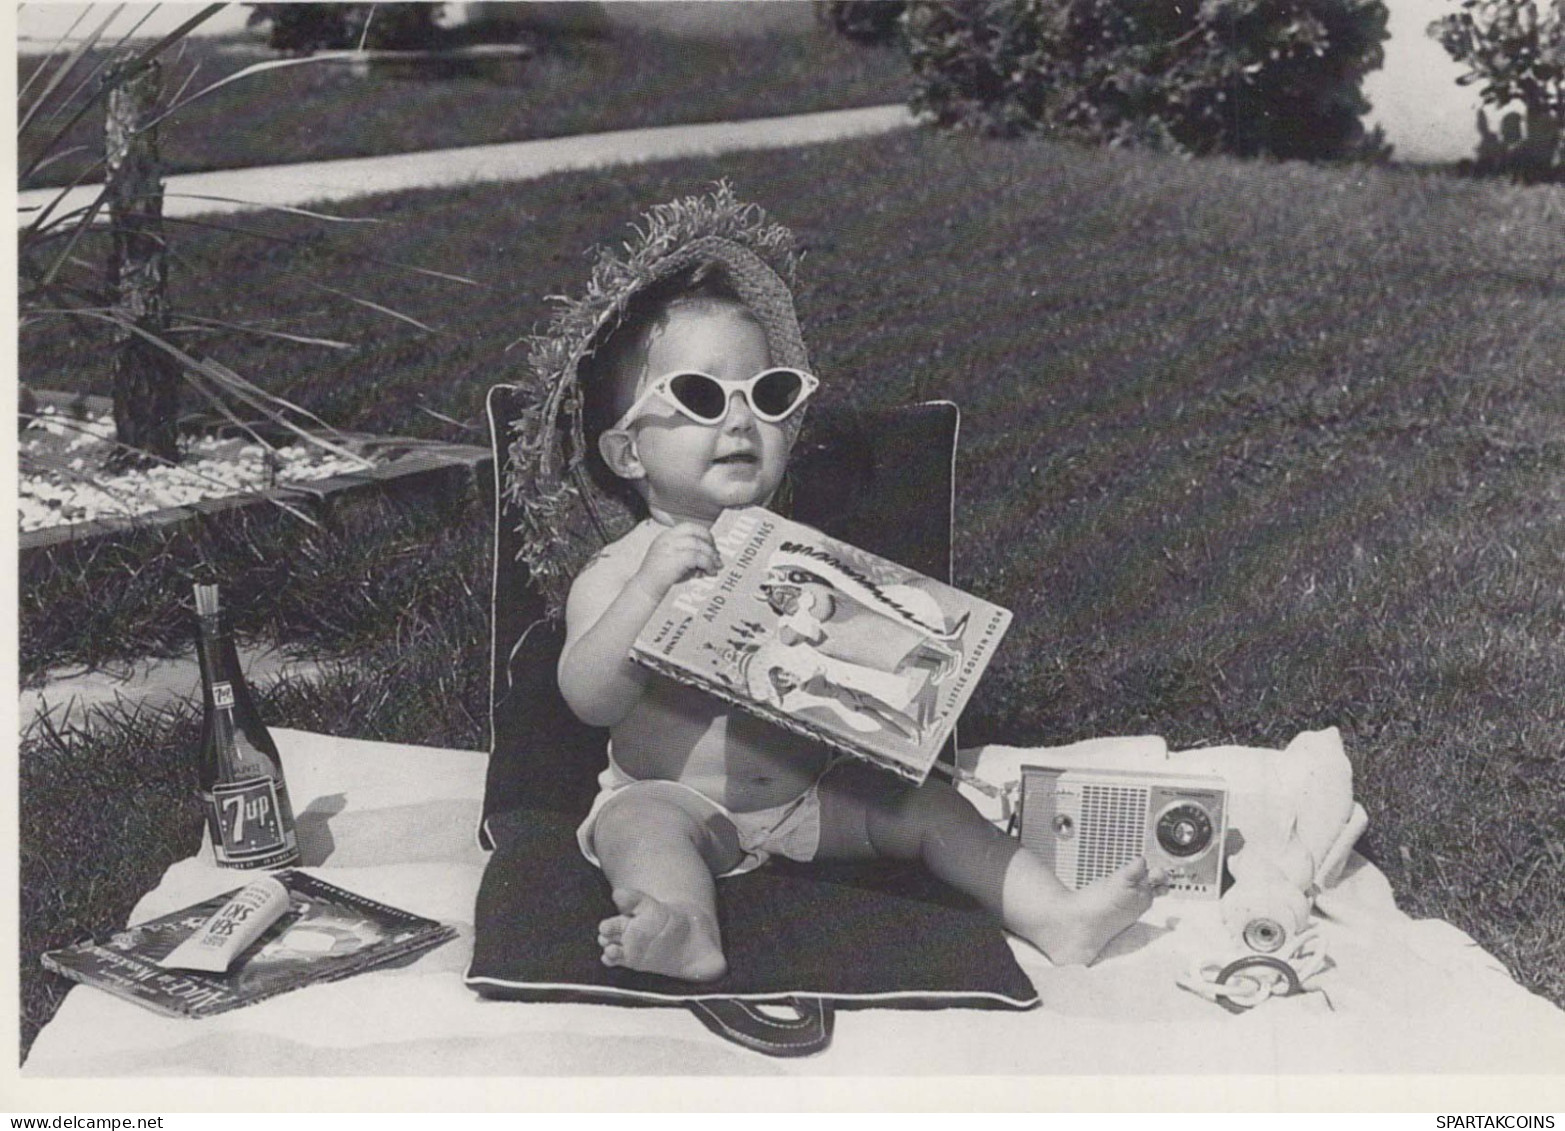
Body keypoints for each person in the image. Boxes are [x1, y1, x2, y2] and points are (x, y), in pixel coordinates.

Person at [533, 186, 1166, 983]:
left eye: (766, 397)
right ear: (628, 454)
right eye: (698, 397)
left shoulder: (795, 554)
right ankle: (684, 927)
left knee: (928, 806)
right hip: (681, 801)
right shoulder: (622, 567)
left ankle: (1055, 914)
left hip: (811, 801)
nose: (738, 422)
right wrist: (649, 591)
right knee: (641, 830)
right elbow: (588, 698)